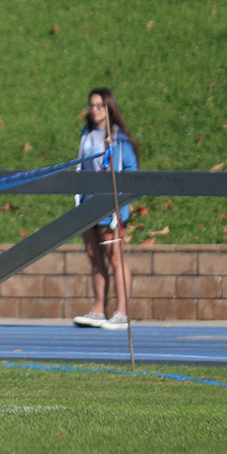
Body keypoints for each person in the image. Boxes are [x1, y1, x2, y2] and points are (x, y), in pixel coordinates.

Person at [72, 87, 138, 330]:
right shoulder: (87, 134)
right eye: (92, 105)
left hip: (111, 208)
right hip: (88, 204)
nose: (95, 110)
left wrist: (120, 203)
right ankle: (99, 309)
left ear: (110, 108)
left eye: (100, 105)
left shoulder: (120, 138)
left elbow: (131, 170)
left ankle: (122, 312)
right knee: (94, 257)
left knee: (115, 257)